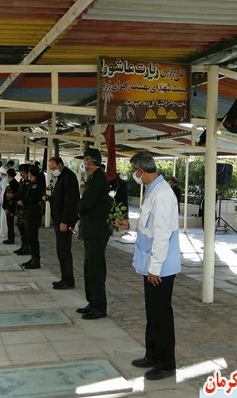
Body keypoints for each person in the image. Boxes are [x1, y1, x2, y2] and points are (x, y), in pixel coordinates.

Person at [115, 152, 181, 381]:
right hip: (153, 264)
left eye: (135, 171)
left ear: (141, 171)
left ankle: (166, 363)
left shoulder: (162, 194)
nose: (135, 175)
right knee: (152, 313)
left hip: (160, 267)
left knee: (161, 315)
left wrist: (155, 267)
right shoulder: (154, 190)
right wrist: (130, 225)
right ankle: (152, 354)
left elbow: (162, 234)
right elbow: (150, 225)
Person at [75, 148, 113, 320]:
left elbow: (86, 203)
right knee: (89, 268)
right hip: (91, 229)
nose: (84, 163)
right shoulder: (94, 178)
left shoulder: (98, 179)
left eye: (85, 160)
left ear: (90, 161)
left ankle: (99, 306)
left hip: (97, 229)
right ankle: (92, 302)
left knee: (96, 269)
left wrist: (76, 208)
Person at [45, 156, 79, 289]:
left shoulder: (69, 177)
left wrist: (65, 221)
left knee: (64, 250)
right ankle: (65, 277)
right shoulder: (61, 177)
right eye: (50, 168)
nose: (52, 170)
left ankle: (68, 280)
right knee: (61, 250)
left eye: (53, 168)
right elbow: (60, 198)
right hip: (59, 219)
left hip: (64, 221)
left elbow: (70, 201)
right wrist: (50, 198)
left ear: (60, 165)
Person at [19, 164, 45, 269]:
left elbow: (34, 198)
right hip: (28, 212)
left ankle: (36, 260)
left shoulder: (36, 184)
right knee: (30, 237)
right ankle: (33, 258)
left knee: (33, 237)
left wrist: (23, 202)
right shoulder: (32, 183)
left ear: (31, 173)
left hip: (33, 213)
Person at [13, 163, 31, 255]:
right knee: (21, 228)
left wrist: (23, 201)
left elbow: (28, 195)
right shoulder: (23, 180)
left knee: (26, 230)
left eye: (21, 172)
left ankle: (27, 248)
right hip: (20, 209)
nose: (20, 174)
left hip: (25, 208)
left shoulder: (29, 182)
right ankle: (23, 246)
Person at [2, 168, 19, 244]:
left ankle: (11, 238)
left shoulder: (12, 184)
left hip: (11, 207)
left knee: (10, 223)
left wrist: (7, 208)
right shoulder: (14, 183)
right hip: (11, 206)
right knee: (10, 223)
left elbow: (9, 197)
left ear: (8, 175)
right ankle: (10, 237)